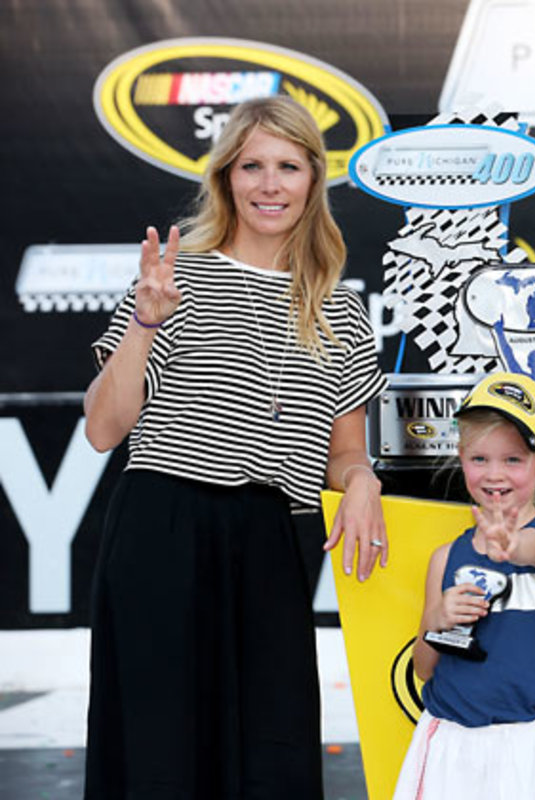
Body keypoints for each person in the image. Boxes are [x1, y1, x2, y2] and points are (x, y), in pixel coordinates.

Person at [82, 95, 388, 799]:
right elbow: (102, 428)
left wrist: (363, 480)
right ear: (226, 178)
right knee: (158, 755)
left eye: (287, 165)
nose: (269, 183)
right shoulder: (174, 276)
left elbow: (345, 454)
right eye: (252, 166)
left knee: (269, 757)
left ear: (314, 178)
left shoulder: (339, 307)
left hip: (270, 541)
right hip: (160, 528)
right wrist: (144, 322)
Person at [394, 371, 535, 800]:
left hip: (528, 749)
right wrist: (437, 620)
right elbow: (423, 668)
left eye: (513, 459)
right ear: (461, 458)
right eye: (480, 459)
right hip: (449, 746)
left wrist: (514, 545)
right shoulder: (444, 557)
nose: (494, 474)